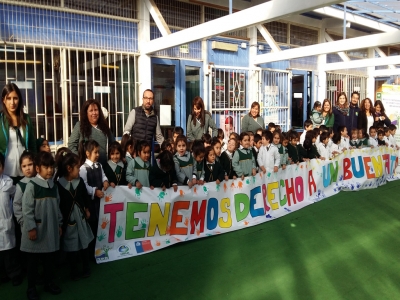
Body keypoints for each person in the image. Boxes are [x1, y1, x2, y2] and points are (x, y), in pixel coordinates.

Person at [21, 152, 63, 299]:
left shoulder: (53, 186)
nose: (50, 170)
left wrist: (59, 224)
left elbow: (57, 207)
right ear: (38, 169)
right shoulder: (32, 186)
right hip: (36, 231)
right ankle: (31, 288)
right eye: (46, 167)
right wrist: (31, 228)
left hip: (50, 230)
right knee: (32, 263)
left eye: (52, 166)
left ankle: (49, 283)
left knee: (48, 261)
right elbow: (26, 209)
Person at [55, 152, 93, 281]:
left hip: (80, 218)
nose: (79, 169)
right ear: (69, 169)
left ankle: (86, 267)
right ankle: (73, 270)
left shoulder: (80, 181)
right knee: (71, 247)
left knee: (84, 243)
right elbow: (59, 204)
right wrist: (60, 223)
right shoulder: (59, 184)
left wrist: (87, 208)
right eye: (77, 167)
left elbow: (84, 196)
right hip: (69, 221)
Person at [1, 83, 36, 184]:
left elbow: (32, 144)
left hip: (25, 170)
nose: (12, 102)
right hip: (6, 171)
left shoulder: (26, 119)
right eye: (9, 98)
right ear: (4, 100)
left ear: (19, 99)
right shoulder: (1, 120)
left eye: (15, 98)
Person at [79, 139, 109, 249]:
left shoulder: (99, 166)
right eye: (95, 152)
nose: (97, 155)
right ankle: (91, 251)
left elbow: (103, 176)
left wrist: (105, 181)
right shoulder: (83, 169)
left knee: (99, 225)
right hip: (90, 203)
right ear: (87, 153)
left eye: (98, 152)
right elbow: (83, 185)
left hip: (99, 202)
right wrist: (94, 191)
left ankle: (100, 248)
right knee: (92, 225)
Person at [68, 99, 114, 165]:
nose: (94, 113)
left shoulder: (104, 126)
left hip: (104, 166)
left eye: (96, 110)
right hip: (86, 167)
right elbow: (71, 145)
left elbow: (113, 143)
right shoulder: (80, 126)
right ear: (86, 113)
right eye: (91, 111)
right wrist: (80, 160)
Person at [0, 153, 22, 287]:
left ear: (3, 167)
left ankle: (14, 274)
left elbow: (16, 197)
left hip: (6, 221)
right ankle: (2, 275)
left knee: (9, 253)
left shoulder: (8, 182)